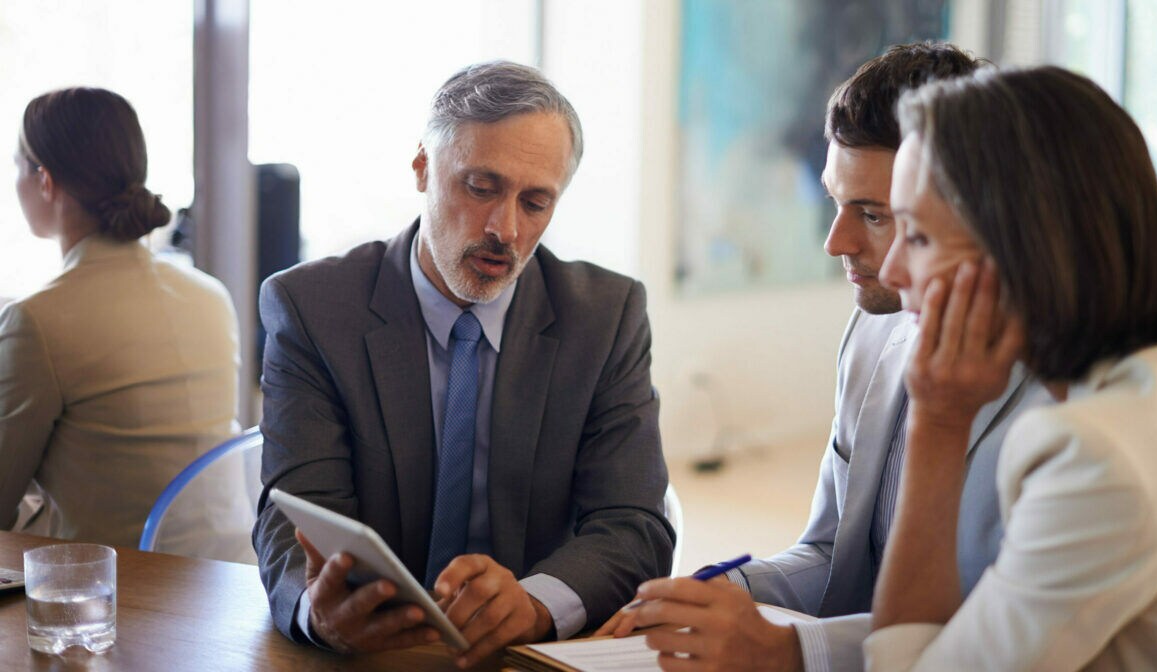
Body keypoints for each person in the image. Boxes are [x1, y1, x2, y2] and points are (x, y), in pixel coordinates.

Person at [598, 43, 1049, 671]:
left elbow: (1001, 632)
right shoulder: (872, 335)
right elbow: (833, 552)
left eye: (874, 214)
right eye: (835, 201)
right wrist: (727, 591)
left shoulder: (1067, 392)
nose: (836, 242)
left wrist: (792, 649)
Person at [252, 61, 673, 668]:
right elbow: (294, 507)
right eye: (481, 188)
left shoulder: (606, 316)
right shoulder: (313, 308)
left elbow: (635, 526)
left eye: (535, 203)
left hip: (525, 656)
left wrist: (534, 604)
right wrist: (315, 611)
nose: (505, 230)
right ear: (423, 166)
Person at [862, 65, 1157, 670]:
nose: (891, 273)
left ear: (1024, 247)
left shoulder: (1094, 456)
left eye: (920, 237)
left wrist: (936, 424)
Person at [0, 87, 249, 560]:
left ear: (45, 180)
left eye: (16, 164)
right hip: (229, 581)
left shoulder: (37, 320)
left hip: (115, 597)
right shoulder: (210, 295)